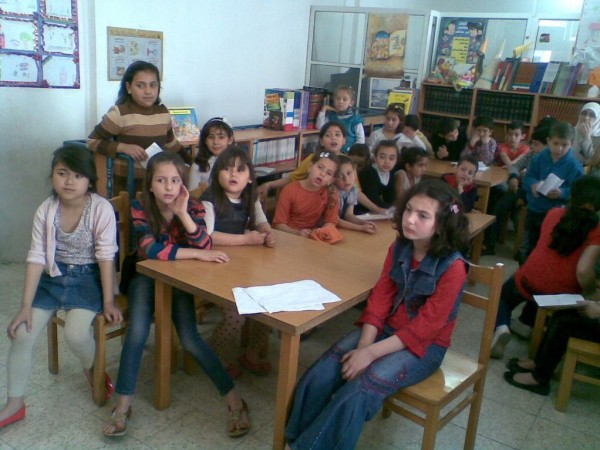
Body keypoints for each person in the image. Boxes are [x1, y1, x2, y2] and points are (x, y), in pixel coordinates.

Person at [284, 180, 470, 450]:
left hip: (424, 347)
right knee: (322, 372)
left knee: (359, 391)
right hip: (385, 330)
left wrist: (370, 354)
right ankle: (294, 441)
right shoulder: (399, 248)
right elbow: (380, 298)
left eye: (423, 216)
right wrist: (363, 347)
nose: (410, 219)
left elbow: (425, 328)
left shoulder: (453, 268)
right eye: (409, 210)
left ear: (441, 225)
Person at [103, 152, 250, 438]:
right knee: (137, 332)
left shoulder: (193, 206)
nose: (169, 187)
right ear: (150, 184)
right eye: (161, 180)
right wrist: (194, 254)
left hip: (178, 277)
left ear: (182, 183)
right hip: (144, 274)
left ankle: (235, 401)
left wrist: (183, 214)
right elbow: (151, 250)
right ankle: (122, 406)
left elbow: (205, 243)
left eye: (174, 180)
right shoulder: (140, 206)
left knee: (190, 338)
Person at [0, 145, 121, 430]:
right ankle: (15, 404)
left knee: (76, 334)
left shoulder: (100, 208)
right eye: (62, 173)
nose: (69, 181)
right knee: (21, 333)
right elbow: (36, 257)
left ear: (89, 181)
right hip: (53, 278)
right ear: (52, 175)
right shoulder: (47, 209)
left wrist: (109, 300)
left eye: (78, 175)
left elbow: (106, 257)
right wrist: (25, 307)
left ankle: (93, 369)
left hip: (88, 279)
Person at [491, 176, 600, 365]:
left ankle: (502, 326)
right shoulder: (596, 230)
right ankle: (528, 325)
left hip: (529, 279)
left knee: (504, 296)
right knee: (553, 292)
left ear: (573, 196)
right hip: (560, 294)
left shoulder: (554, 213)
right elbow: (583, 271)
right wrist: (591, 291)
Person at [199, 147, 275, 378]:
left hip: (241, 264)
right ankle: (215, 355)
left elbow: (261, 221)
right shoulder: (210, 198)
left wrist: (267, 233)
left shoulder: (250, 196)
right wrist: (245, 239)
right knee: (235, 317)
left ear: (250, 177)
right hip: (212, 265)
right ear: (216, 174)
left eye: (240, 170)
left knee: (267, 305)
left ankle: (250, 354)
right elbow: (208, 236)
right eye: (227, 169)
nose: (233, 174)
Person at [87, 61, 183, 192]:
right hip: (125, 186)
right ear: (129, 87)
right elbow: (91, 142)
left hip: (156, 186)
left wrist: (193, 161)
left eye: (153, 85)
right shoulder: (119, 113)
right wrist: (124, 147)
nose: (148, 91)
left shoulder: (163, 112)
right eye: (140, 85)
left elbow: (171, 144)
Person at [258, 123, 385, 215]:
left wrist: (377, 209)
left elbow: (355, 191)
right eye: (328, 135)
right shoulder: (314, 158)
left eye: (337, 135)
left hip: (339, 211)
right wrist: (269, 184)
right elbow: (292, 178)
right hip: (315, 208)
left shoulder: (347, 162)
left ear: (344, 140)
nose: (333, 138)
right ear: (321, 141)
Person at [517, 121, 584, 264]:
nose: (559, 148)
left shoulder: (575, 166)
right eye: (555, 143)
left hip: (556, 213)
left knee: (547, 247)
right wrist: (532, 185)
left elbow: (578, 192)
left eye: (564, 145)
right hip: (534, 208)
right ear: (548, 141)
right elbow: (528, 178)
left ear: (571, 143)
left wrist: (562, 193)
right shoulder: (538, 158)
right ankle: (523, 273)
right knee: (527, 247)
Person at [273, 151, 340, 237]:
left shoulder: (331, 192)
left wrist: (322, 232)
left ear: (331, 180)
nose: (322, 174)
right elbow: (278, 225)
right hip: (289, 237)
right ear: (310, 166)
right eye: (320, 167)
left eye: (328, 173)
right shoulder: (289, 190)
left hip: (312, 238)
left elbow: (331, 221)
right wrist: (297, 233)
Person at [335, 155, 378, 234]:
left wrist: (363, 223)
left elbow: (348, 215)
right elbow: (336, 220)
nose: (346, 179)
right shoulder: (331, 193)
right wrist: (360, 228)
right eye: (339, 176)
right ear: (333, 179)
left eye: (349, 173)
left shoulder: (352, 190)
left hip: (341, 228)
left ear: (355, 172)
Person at [189, 117, 235, 189]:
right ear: (205, 140)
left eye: (221, 137)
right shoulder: (198, 166)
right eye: (211, 137)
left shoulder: (237, 162)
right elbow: (193, 194)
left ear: (230, 140)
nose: (215, 142)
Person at [316, 85, 365, 153]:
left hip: (349, 154)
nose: (340, 102)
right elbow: (320, 127)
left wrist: (350, 150)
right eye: (338, 98)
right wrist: (324, 108)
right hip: (332, 152)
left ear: (351, 103)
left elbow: (361, 140)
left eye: (344, 99)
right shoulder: (331, 116)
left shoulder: (355, 119)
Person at [358, 140, 399, 212]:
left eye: (391, 158)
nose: (387, 161)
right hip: (362, 211)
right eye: (382, 157)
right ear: (375, 157)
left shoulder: (391, 171)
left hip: (379, 211)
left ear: (396, 160)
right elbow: (373, 199)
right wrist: (391, 209)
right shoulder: (368, 172)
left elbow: (390, 197)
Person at [572, 102, 600, 166]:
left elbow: (593, 160)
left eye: (592, 115)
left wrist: (586, 138)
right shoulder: (571, 130)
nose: (586, 118)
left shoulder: (598, 138)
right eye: (584, 113)